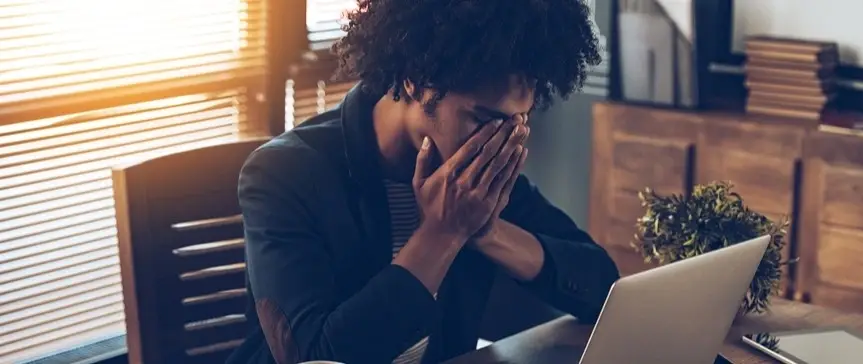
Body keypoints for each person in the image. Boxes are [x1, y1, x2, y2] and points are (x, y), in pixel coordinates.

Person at [226, 0, 620, 363]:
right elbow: (317, 358)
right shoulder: (284, 174)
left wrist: (486, 232)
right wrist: (442, 234)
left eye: (518, 121)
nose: (501, 142)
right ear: (416, 79)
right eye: (484, 120)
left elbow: (604, 288)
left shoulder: (474, 179)